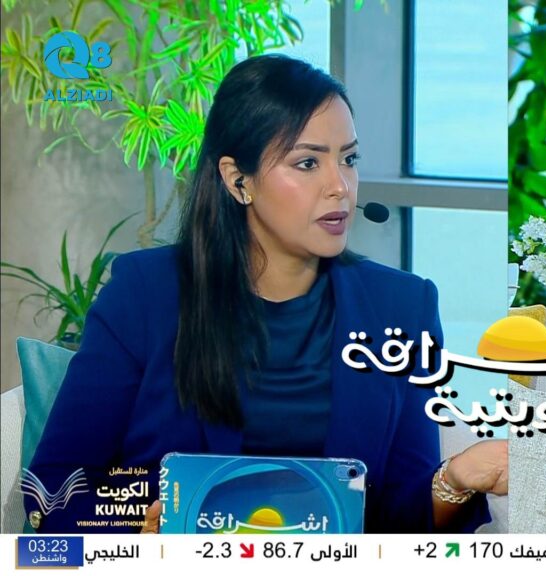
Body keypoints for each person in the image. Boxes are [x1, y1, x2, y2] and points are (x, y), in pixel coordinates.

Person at [25, 54, 508, 534]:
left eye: (349, 159)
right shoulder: (143, 295)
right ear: (238, 180)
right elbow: (55, 489)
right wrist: (138, 532)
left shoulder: (402, 309)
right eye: (307, 163)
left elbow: (399, 525)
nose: (340, 186)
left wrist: (455, 480)